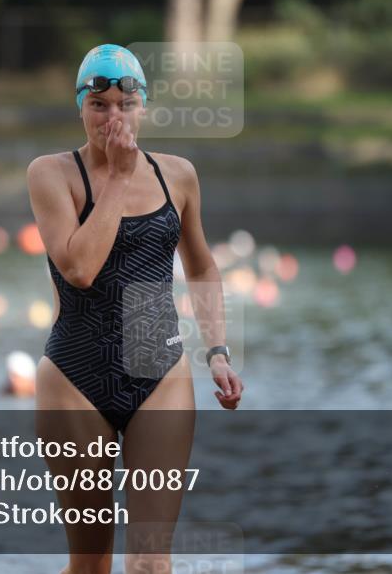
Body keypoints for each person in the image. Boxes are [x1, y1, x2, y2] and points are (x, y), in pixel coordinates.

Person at [27, 44, 244, 574]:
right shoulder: (53, 174)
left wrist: (217, 351)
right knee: (92, 562)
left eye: (125, 103)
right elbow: (80, 268)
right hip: (76, 374)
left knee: (150, 560)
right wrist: (119, 178)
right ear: (80, 107)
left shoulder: (179, 175)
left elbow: (200, 266)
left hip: (159, 365)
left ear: (144, 106)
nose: (113, 116)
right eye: (98, 104)